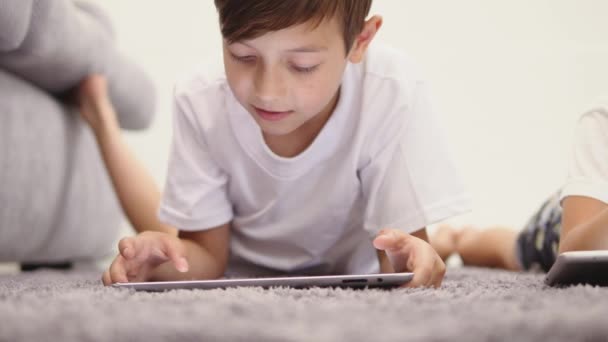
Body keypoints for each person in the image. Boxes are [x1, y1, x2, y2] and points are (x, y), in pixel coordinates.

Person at [92, 0, 471, 288]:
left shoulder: (390, 90)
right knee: (162, 232)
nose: (267, 92)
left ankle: (463, 241)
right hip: (239, 262)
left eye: (302, 65)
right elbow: (205, 257)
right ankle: (100, 118)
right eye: (243, 56)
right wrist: (156, 261)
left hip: (350, 267)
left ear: (361, 42)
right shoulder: (201, 98)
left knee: (437, 244)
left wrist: (415, 258)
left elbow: (400, 255)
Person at [431, 101, 608, 272]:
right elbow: (573, 255)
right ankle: (454, 238)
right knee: (510, 250)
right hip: (565, 223)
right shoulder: (601, 118)